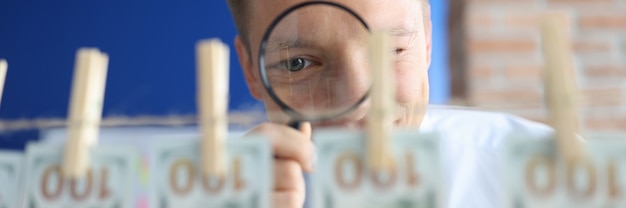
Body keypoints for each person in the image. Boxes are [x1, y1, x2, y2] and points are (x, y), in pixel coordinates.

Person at [226, 0, 553, 208]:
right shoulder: (206, 195)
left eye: (391, 49)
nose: (358, 103)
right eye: (298, 63)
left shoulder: (556, 177)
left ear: (426, 43)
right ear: (250, 70)